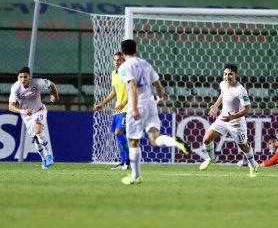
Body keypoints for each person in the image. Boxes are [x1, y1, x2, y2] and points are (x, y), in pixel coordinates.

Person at [118, 39, 192, 185]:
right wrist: (159, 97)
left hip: (137, 105)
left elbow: (132, 86)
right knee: (154, 139)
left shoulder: (125, 66)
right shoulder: (145, 64)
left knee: (133, 141)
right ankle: (174, 141)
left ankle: (135, 176)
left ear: (123, 52)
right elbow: (158, 85)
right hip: (151, 104)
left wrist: (133, 108)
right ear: (135, 50)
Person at [199, 63, 258, 178]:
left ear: (236, 75)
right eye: (225, 74)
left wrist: (232, 117)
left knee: (244, 147)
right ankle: (211, 158)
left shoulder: (240, 90)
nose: (227, 77)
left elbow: (246, 110)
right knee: (206, 139)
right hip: (223, 118)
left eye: (230, 74)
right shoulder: (223, 84)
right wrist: (216, 105)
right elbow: (222, 95)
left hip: (236, 123)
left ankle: (253, 165)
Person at [8, 66, 59, 169]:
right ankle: (44, 159)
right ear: (18, 78)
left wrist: (55, 96)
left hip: (39, 110)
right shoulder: (15, 87)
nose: (23, 79)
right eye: (20, 77)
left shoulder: (37, 83)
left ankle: (49, 155)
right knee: (36, 138)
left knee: (38, 130)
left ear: (29, 77)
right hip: (26, 115)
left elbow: (51, 85)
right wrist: (23, 111)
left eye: (25, 77)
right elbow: (11, 106)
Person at [94, 52, 130, 170]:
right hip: (118, 109)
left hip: (127, 107)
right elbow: (114, 91)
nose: (116, 62)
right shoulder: (114, 74)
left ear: (124, 61)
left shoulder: (128, 73)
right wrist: (102, 104)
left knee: (118, 132)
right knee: (117, 134)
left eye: (119, 60)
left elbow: (134, 91)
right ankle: (123, 161)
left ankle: (129, 160)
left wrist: (124, 103)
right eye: (115, 60)